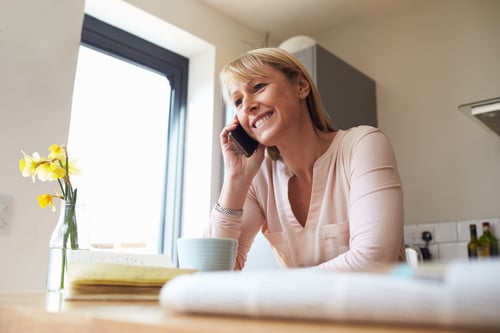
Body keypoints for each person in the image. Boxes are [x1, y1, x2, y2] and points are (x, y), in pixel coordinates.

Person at [205, 47, 405, 272]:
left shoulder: (363, 145)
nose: (248, 105)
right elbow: (213, 271)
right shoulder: (259, 177)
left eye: (258, 87)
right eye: (238, 101)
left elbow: (375, 260)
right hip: (302, 308)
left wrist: (277, 286)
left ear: (301, 86)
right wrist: (235, 179)